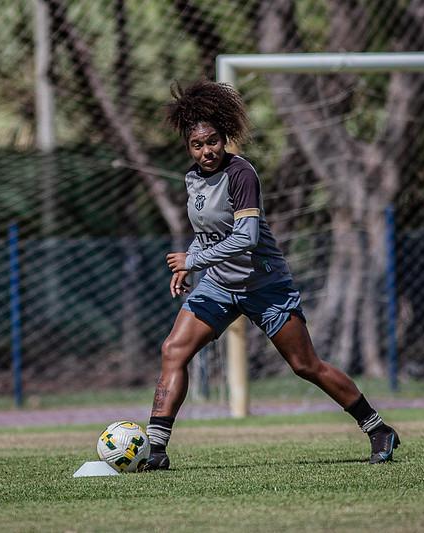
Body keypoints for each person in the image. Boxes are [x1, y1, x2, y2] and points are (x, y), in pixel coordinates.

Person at [142, 79, 399, 471]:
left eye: (212, 141)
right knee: (173, 351)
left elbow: (245, 238)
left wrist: (194, 261)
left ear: (224, 137)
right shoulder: (193, 178)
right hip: (219, 286)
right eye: (198, 145)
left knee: (305, 365)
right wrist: (191, 262)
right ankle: (155, 449)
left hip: (265, 285)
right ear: (188, 147)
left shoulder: (242, 174)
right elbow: (205, 235)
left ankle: (377, 427)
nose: (207, 150)